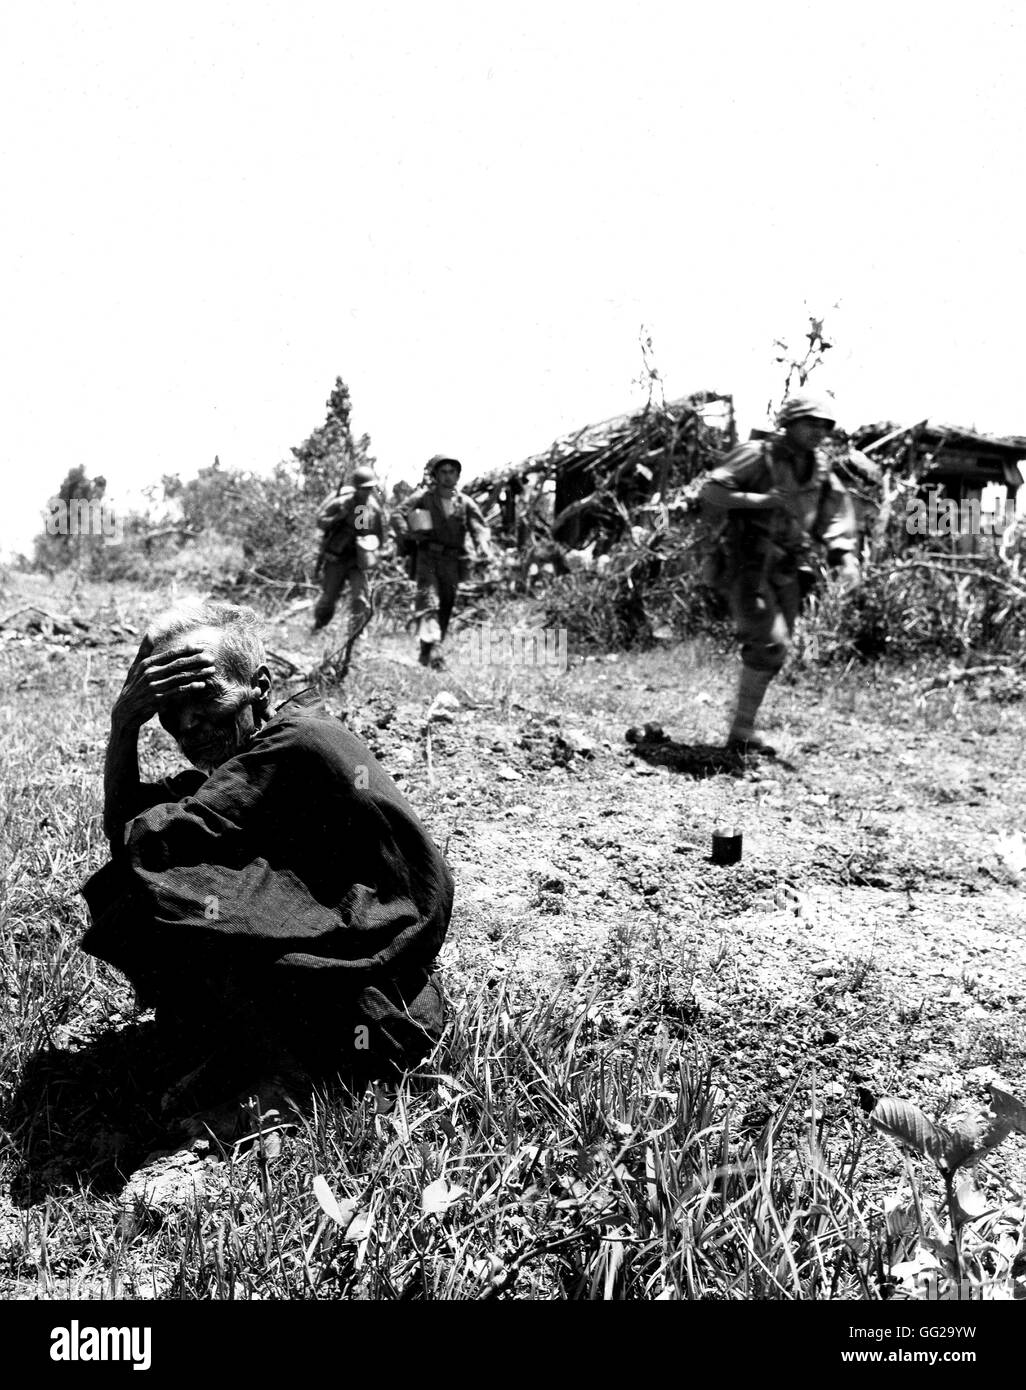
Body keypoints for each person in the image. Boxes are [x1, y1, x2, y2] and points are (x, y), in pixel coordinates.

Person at [81, 600, 453, 1117]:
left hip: (380, 959)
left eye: (204, 696)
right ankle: (247, 1046)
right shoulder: (245, 758)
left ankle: (290, 1073)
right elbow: (123, 829)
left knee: (154, 888)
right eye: (169, 712)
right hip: (344, 943)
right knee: (152, 886)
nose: (190, 726)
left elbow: (143, 848)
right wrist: (123, 725)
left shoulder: (295, 744)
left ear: (259, 685)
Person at [699, 394, 860, 754]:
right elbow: (711, 489)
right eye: (810, 423)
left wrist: (844, 556)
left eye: (824, 426)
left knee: (775, 651)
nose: (817, 432)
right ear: (788, 422)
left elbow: (835, 514)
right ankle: (740, 732)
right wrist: (762, 501)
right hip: (747, 562)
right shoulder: (757, 454)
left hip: (789, 567)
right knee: (770, 642)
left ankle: (742, 732)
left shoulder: (819, 467)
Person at [398, 454, 493, 668]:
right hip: (428, 557)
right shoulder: (424, 497)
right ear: (435, 475)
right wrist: (410, 534)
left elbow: (479, 527)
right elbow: (399, 514)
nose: (448, 476)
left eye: (452, 472)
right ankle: (435, 654)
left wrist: (483, 546)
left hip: (452, 560)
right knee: (429, 602)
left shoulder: (464, 502)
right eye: (443, 472)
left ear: (458, 475)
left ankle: (427, 649)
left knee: (446, 605)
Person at [312, 466, 386, 636]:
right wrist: (339, 517)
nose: (367, 492)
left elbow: (379, 537)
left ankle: (356, 636)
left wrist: (373, 551)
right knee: (328, 599)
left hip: (358, 560)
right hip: (336, 558)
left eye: (369, 488)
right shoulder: (342, 502)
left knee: (360, 598)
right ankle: (318, 626)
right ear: (356, 487)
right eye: (363, 488)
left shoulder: (373, 508)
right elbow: (320, 522)